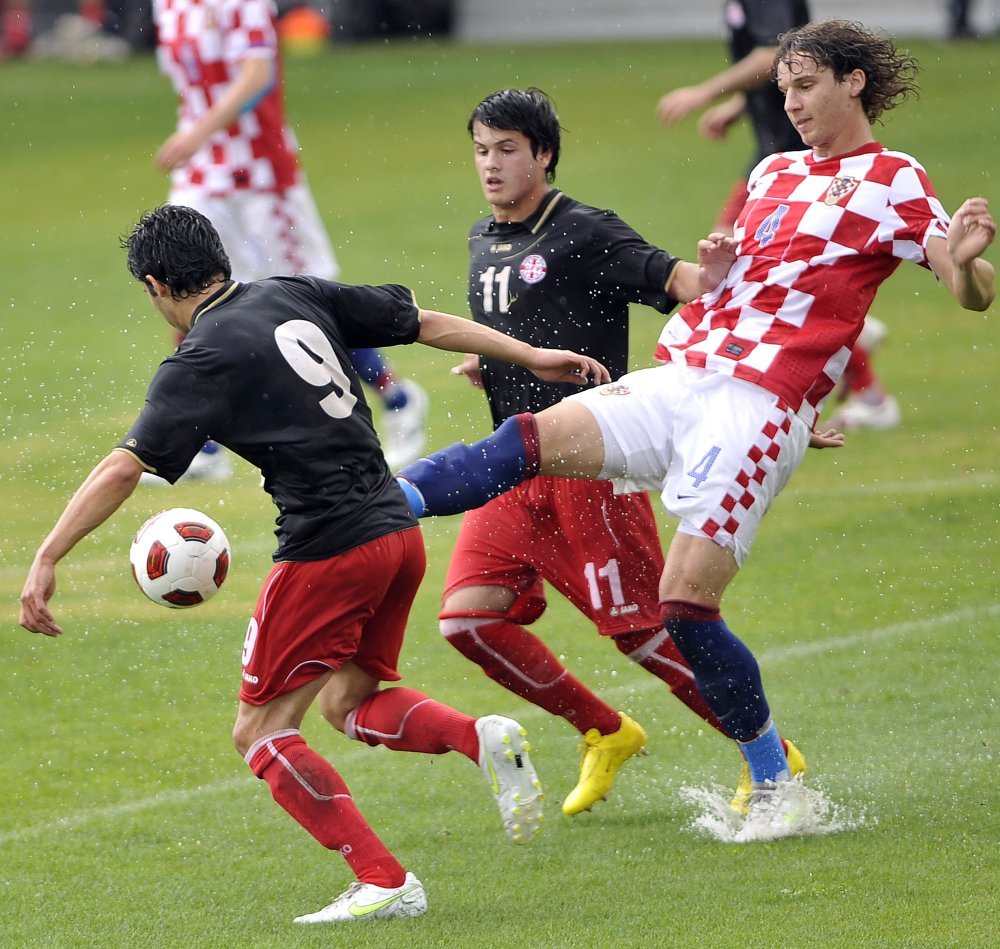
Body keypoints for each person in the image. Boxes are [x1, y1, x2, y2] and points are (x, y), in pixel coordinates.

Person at [397, 20, 995, 840]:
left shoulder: (894, 179)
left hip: (758, 405)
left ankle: (775, 778)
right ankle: (380, 502)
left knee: (682, 604)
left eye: (806, 86)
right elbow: (738, 287)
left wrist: (967, 261)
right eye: (783, 89)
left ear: (854, 82)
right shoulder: (773, 172)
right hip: (685, 375)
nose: (791, 104)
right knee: (528, 437)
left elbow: (968, 286)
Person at [19, 204, 613, 922]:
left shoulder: (198, 359)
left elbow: (124, 467)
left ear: (156, 286)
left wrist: (47, 555)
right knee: (348, 701)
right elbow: (422, 322)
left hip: (329, 549)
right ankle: (479, 737)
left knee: (260, 731)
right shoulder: (290, 291)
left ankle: (383, 879)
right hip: (397, 532)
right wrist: (529, 354)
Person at [436, 86, 807, 820]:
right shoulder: (485, 238)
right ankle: (604, 730)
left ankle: (768, 751)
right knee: (467, 621)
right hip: (515, 467)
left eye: (507, 149)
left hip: (589, 465)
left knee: (644, 632)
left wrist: (716, 279)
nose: (491, 164)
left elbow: (680, 282)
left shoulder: (584, 230)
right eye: (481, 150)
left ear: (544, 154)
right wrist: (495, 364)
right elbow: (531, 323)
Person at [151, 0, 427, 479]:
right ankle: (204, 447)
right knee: (187, 292)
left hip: (261, 174)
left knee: (307, 302)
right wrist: (197, 136)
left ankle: (397, 397)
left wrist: (199, 131)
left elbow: (257, 76)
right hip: (202, 174)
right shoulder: (168, 5)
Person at [656, 0, 900, 432]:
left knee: (743, 270)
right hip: (775, 151)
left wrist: (704, 92)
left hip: (797, 156)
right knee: (744, 267)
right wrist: (740, 105)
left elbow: (773, 54)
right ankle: (865, 378)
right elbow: (789, 62)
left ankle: (860, 386)